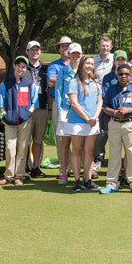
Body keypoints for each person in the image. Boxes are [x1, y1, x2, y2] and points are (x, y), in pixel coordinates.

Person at [100, 63, 132, 194]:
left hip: (130, 123)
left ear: (130, 76)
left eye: (126, 74)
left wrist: (128, 110)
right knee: (114, 154)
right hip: (114, 123)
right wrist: (114, 112)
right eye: (121, 74)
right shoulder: (111, 89)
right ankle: (112, 183)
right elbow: (105, 107)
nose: (123, 76)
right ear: (117, 75)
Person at [0, 56, 38, 186]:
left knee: (22, 149)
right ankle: (8, 176)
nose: (21, 68)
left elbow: (34, 101)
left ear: (26, 69)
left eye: (23, 66)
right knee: (10, 148)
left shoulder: (30, 83)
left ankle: (19, 175)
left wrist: (29, 112)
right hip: (10, 121)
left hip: (25, 121)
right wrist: (4, 113)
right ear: (14, 66)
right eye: (19, 65)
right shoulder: (6, 83)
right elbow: (1, 100)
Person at [66, 55, 102, 192]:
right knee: (77, 150)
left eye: (92, 64)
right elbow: (74, 103)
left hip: (92, 122)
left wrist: (95, 117)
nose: (90, 66)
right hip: (77, 122)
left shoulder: (96, 83)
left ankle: (88, 180)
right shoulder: (74, 82)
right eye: (87, 63)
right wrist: (87, 118)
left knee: (89, 152)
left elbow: (100, 102)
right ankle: (76, 181)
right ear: (82, 65)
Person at [55, 43, 82, 184]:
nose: (76, 56)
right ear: (69, 54)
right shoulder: (63, 71)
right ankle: (63, 174)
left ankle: (81, 174)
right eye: (73, 53)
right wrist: (60, 111)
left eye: (78, 53)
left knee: (80, 145)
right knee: (65, 144)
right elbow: (58, 92)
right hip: (66, 110)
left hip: (80, 112)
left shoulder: (84, 70)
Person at [46, 36, 72, 172]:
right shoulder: (54, 65)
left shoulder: (78, 63)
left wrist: (60, 78)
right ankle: (65, 169)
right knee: (61, 138)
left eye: (68, 46)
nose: (66, 48)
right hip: (59, 104)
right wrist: (69, 78)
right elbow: (50, 81)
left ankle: (81, 168)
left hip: (77, 105)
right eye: (63, 46)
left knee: (80, 138)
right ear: (59, 49)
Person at [24, 41, 49, 178]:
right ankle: (23, 167)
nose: (35, 52)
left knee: (38, 140)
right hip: (26, 109)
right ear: (27, 52)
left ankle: (35, 167)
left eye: (37, 49)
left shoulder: (46, 69)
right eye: (31, 50)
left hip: (42, 108)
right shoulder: (22, 68)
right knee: (25, 140)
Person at [91, 35, 113, 172]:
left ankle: (116, 161)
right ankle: (97, 158)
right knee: (100, 132)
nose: (105, 48)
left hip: (112, 100)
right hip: (97, 100)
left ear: (111, 47)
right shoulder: (93, 61)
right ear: (99, 46)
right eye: (102, 45)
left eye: (107, 46)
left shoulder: (115, 59)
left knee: (113, 131)